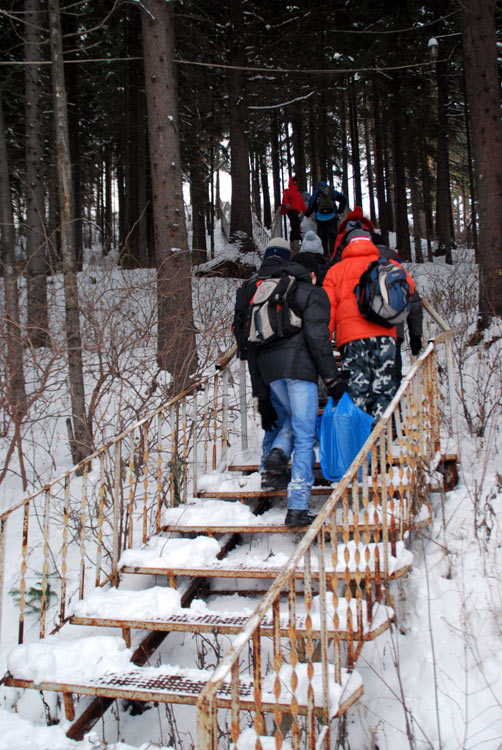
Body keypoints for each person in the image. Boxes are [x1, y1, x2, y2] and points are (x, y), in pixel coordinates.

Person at [243, 237, 347, 526]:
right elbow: (317, 337)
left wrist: (261, 391)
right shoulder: (313, 293)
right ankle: (298, 507)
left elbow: (252, 342)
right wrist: (331, 377)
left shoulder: (272, 291)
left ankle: (277, 452)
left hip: (270, 370)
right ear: (313, 274)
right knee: (305, 436)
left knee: (291, 418)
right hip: (299, 371)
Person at [322, 224, 416, 420]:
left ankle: (362, 443)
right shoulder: (387, 264)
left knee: (357, 392)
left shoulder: (335, 271)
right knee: (384, 391)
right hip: (384, 336)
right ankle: (381, 442)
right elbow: (409, 287)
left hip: (351, 341)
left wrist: (323, 342)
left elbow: (326, 312)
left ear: (347, 245)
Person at [371, 233, 423, 388]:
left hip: (365, 332)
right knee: (393, 374)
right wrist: (415, 335)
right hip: (394, 331)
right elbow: (414, 302)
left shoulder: (362, 267)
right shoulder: (398, 270)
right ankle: (395, 409)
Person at [305, 180, 348, 258]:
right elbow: (344, 198)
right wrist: (339, 210)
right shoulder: (332, 192)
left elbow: (311, 205)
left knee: (322, 238)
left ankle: (325, 256)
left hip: (320, 219)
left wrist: (308, 213)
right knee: (333, 238)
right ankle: (333, 255)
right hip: (332, 218)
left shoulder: (317, 193)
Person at [280, 176, 307, 254]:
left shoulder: (298, 193)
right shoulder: (288, 191)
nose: (295, 183)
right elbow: (284, 199)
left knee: (294, 228)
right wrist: (287, 204)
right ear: (291, 182)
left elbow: (302, 204)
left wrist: (308, 211)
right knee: (297, 227)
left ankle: (292, 245)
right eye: (294, 181)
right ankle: (295, 246)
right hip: (291, 211)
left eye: (296, 181)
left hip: (297, 212)